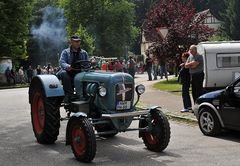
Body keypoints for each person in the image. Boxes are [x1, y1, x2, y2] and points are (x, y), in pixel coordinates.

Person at [59, 35, 89, 104]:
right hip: (69, 72)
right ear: (71, 42)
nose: (78, 43)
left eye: (79, 41)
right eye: (76, 41)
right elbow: (62, 62)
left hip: (80, 72)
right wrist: (67, 66)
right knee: (64, 73)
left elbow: (87, 63)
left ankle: (87, 94)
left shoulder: (84, 53)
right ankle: (69, 95)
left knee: (89, 74)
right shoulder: (65, 52)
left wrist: (89, 66)